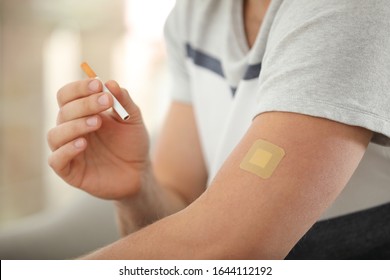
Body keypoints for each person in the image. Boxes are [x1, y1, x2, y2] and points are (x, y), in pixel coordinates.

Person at [47, 0, 390, 259]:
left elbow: (227, 247)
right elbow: (180, 213)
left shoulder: (348, 10)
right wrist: (137, 190)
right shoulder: (196, 13)